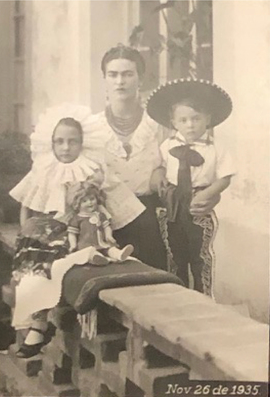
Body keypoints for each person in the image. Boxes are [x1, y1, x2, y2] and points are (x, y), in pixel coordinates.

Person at [9, 104, 143, 358]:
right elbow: (27, 202)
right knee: (32, 263)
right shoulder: (45, 167)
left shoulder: (91, 169)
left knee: (57, 260)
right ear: (51, 144)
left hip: (82, 232)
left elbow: (109, 208)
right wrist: (26, 230)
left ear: (84, 143)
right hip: (49, 229)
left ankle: (40, 324)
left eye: (73, 141)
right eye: (59, 142)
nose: (66, 147)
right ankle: (38, 321)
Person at [91, 44, 221, 271]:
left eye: (128, 74)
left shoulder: (160, 126)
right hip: (106, 221)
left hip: (152, 222)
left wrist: (210, 196)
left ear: (140, 79)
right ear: (104, 79)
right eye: (113, 74)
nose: (120, 81)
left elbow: (196, 170)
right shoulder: (91, 128)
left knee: (155, 287)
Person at [146, 78, 236, 295]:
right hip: (173, 204)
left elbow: (225, 178)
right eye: (183, 120)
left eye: (196, 119)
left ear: (208, 119)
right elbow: (158, 167)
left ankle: (204, 296)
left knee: (200, 255)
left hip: (199, 204)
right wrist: (158, 176)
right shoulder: (167, 146)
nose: (190, 125)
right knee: (175, 254)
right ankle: (178, 297)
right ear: (174, 122)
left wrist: (208, 193)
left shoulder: (216, 148)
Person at [67, 182, 134, 264]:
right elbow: (72, 234)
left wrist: (109, 236)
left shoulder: (100, 215)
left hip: (101, 243)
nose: (90, 202)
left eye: (92, 199)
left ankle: (119, 254)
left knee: (110, 249)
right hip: (85, 246)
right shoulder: (77, 219)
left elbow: (106, 227)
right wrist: (73, 245)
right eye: (84, 201)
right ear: (77, 204)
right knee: (90, 254)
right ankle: (98, 259)